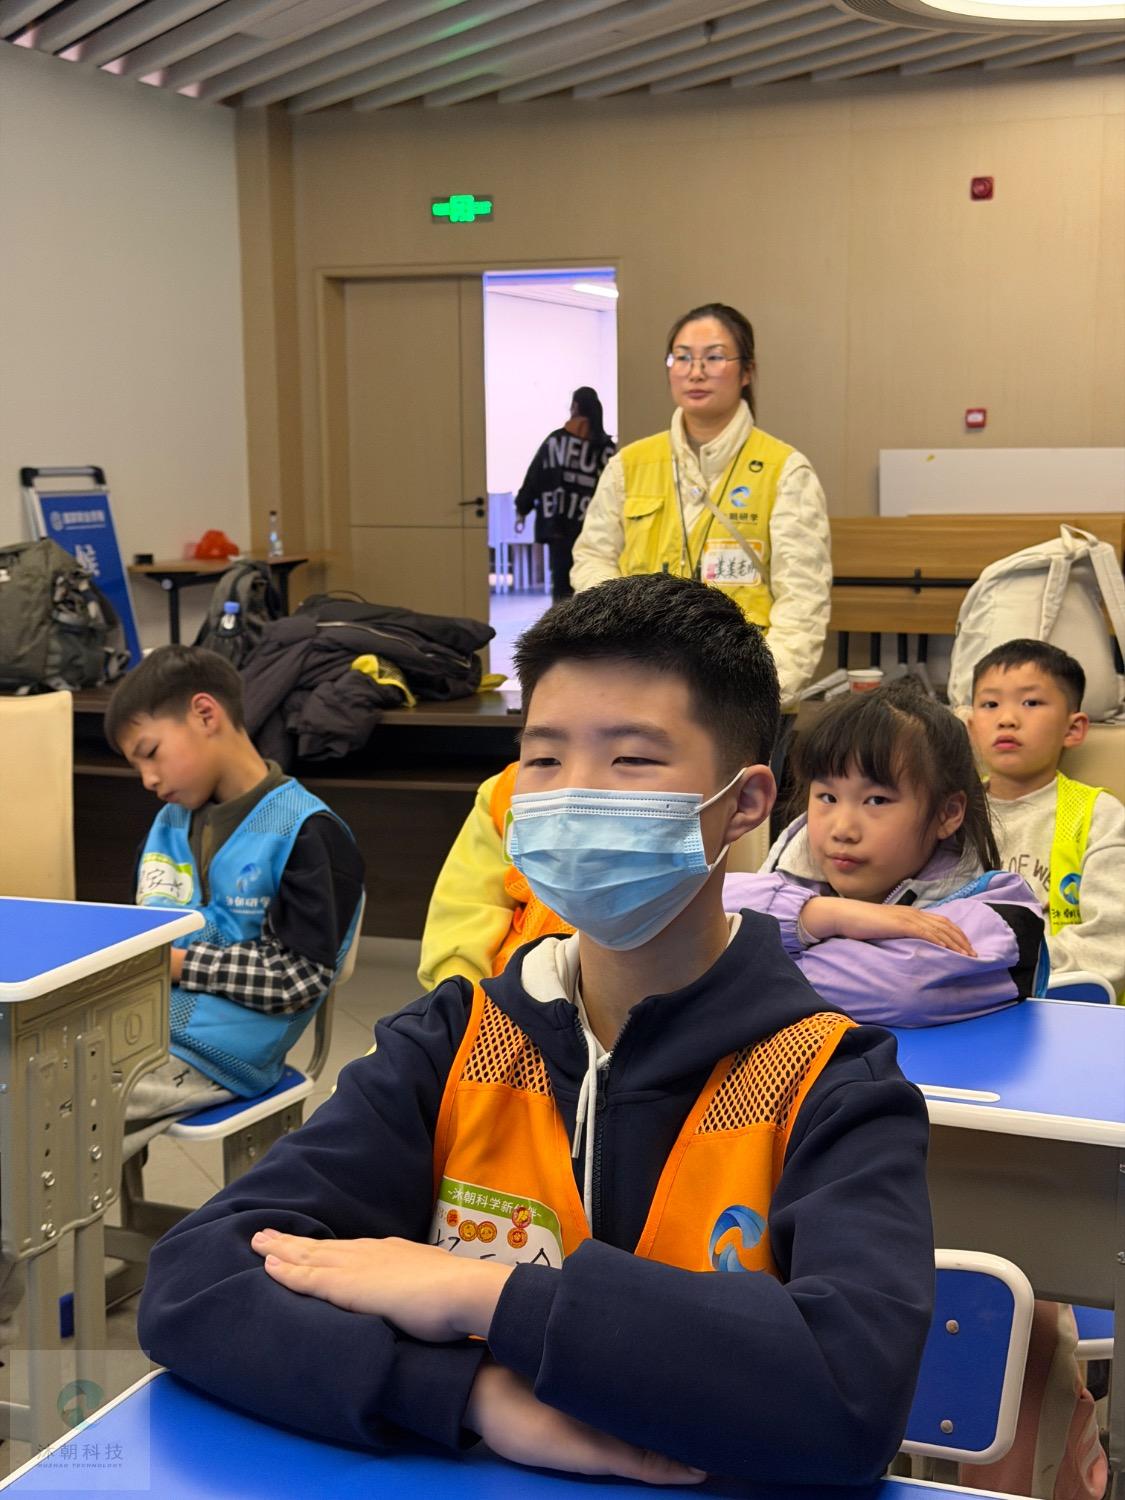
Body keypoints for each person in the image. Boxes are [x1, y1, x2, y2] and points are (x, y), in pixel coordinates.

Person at [138, 575, 934, 1487]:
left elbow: (850, 1397)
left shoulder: (835, 1083)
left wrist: (485, 1295)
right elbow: (195, 1281)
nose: (574, 793)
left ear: (746, 802)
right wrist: (464, 1394)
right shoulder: (453, 1040)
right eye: (544, 759)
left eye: (631, 759)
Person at [104, 645, 365, 1152]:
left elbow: (296, 979)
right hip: (137, 1033)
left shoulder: (307, 831)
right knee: (25, 1072)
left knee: (54, 1107)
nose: (148, 780)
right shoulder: (167, 826)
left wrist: (175, 965)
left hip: (221, 1057)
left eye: (151, 753)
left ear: (205, 714)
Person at [723, 678, 1046, 1025]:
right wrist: (820, 914)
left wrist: (745, 964)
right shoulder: (794, 868)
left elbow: (906, 987)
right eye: (828, 797)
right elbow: (703, 911)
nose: (842, 829)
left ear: (947, 813)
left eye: (876, 800)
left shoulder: (1003, 913)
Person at [571, 302, 831, 705]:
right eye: (682, 357)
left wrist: (760, 693)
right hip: (638, 679)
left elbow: (803, 602)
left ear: (747, 371)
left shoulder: (785, 470)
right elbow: (592, 559)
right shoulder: (629, 465)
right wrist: (621, 643)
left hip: (737, 688)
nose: (695, 372)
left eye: (714, 357)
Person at [968, 638, 1125, 998]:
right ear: (972, 728)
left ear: (1073, 729)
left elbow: (1112, 944)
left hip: (1062, 1000)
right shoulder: (948, 814)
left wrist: (1007, 965)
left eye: (1031, 702)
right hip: (953, 996)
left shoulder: (1099, 817)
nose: (1007, 719)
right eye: (990, 704)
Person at [514, 387, 615, 602]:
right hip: (593, 528)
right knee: (593, 586)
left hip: (558, 527)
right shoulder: (606, 448)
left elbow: (535, 476)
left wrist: (522, 507)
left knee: (561, 589)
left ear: (575, 407)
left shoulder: (555, 441)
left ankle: (563, 623)